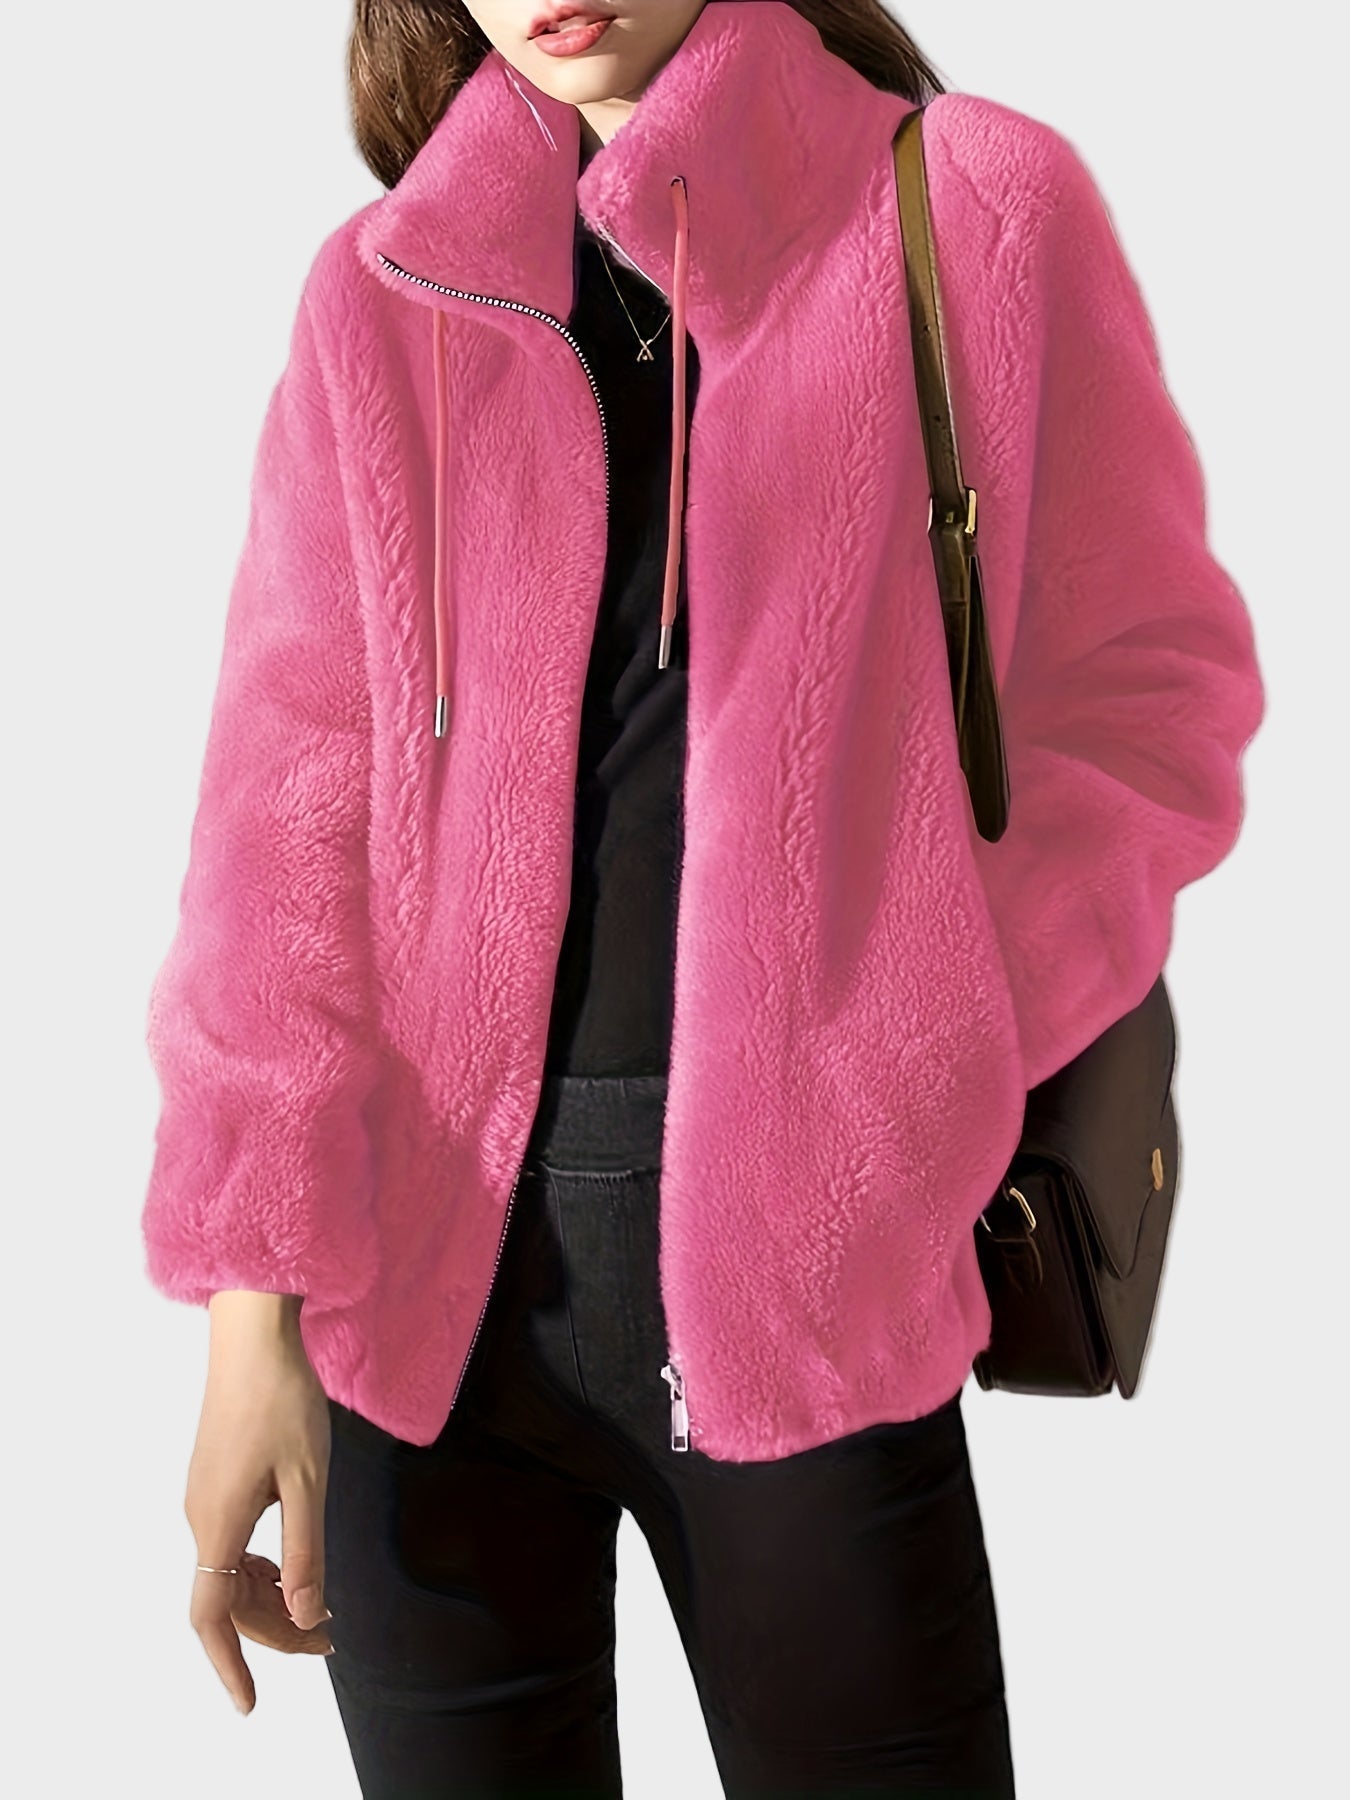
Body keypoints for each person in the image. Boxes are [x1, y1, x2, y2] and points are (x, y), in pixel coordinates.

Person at [140, 2, 1266, 1793]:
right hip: (423, 1308)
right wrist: (249, 1314)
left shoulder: (969, 204)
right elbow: (281, 822)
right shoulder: (382, 293)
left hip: (806, 1267)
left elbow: (1146, 698)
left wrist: (916, 1045)